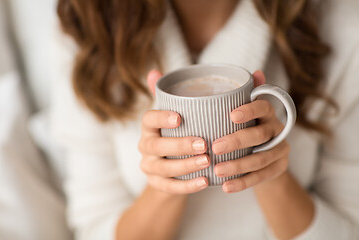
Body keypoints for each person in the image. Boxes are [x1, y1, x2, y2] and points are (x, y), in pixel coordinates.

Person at [53, 0, 359, 239]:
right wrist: (166, 184)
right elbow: (94, 230)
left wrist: (271, 173)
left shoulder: (339, 29)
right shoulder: (91, 31)